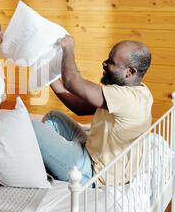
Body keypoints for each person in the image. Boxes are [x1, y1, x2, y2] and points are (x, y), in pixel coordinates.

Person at [31, 36, 153, 186]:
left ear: (130, 72)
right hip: (91, 151)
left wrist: (68, 47)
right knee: (54, 117)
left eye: (111, 62)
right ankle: (50, 162)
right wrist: (46, 73)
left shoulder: (126, 98)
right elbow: (80, 108)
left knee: (33, 128)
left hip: (94, 171)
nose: (104, 63)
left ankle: (49, 167)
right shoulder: (139, 91)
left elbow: (71, 81)